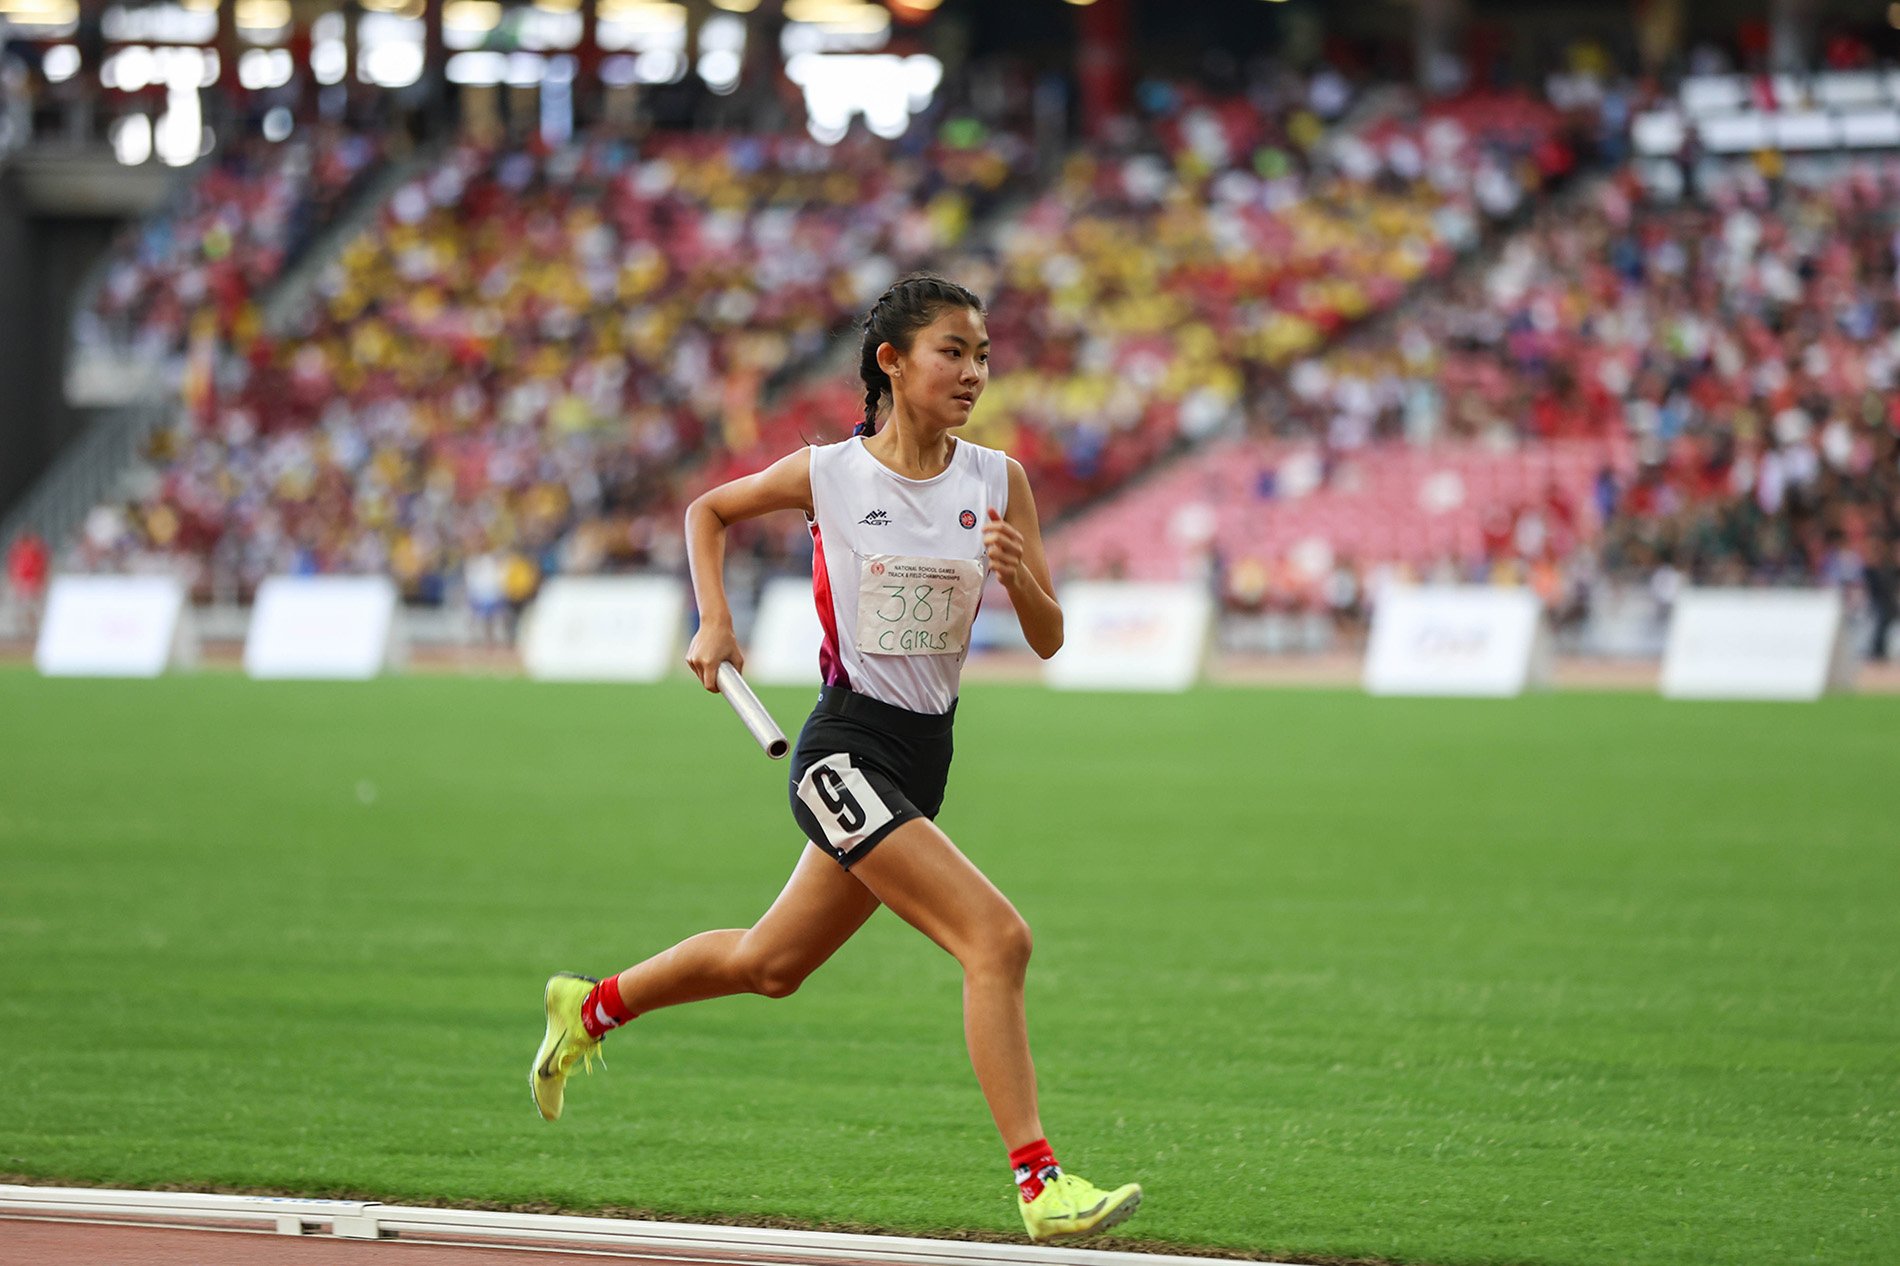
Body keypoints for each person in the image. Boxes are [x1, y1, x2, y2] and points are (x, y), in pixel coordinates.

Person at [528, 274, 1142, 1242]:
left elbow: (1051, 639)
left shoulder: (998, 481)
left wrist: (1025, 584)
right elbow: (707, 512)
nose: (974, 372)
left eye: (982, 354)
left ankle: (589, 1006)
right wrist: (715, 619)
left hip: (921, 760)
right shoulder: (829, 474)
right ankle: (1040, 1184)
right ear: (891, 363)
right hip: (841, 753)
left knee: (770, 965)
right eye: (953, 351)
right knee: (998, 940)